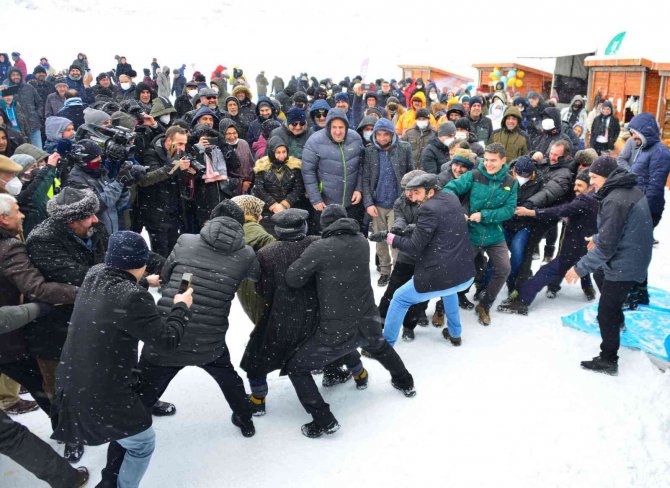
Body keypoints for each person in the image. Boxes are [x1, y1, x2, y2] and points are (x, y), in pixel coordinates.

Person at [52, 231, 193, 488]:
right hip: (101, 393)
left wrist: (141, 283)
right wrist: (182, 306)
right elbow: (167, 340)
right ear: (141, 264)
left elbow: (113, 292)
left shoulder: (95, 273)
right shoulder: (133, 298)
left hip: (73, 381)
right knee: (142, 443)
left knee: (126, 436)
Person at [285, 205, 416, 438]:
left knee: (298, 367)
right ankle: (405, 382)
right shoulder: (361, 241)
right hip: (367, 317)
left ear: (325, 225)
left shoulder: (320, 248)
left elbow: (293, 278)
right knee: (380, 347)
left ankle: (323, 419)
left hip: (336, 327)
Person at [137, 200, 257, 438]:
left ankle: (135, 420)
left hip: (168, 332)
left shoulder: (186, 241)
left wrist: (190, 275)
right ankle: (245, 418)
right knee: (228, 378)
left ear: (211, 218)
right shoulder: (246, 254)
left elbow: (166, 274)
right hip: (209, 339)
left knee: (146, 383)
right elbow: (255, 277)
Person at [564, 157, 653, 375]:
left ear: (607, 176)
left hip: (627, 262)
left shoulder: (616, 199)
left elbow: (606, 248)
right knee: (600, 275)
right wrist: (598, 235)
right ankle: (618, 320)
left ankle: (608, 359)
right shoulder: (626, 190)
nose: (591, 182)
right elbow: (619, 228)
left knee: (605, 312)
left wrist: (578, 268)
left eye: (594, 177)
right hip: (635, 254)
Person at [0, 191, 77, 418]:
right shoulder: (8, 248)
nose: (22, 216)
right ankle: (65, 430)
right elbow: (37, 288)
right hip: (8, 338)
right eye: (17, 211)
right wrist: (81, 291)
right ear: (3, 218)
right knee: (41, 386)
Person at [240, 208, 320, 415]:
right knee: (330, 346)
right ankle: (357, 374)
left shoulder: (266, 254)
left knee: (256, 358)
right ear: (303, 226)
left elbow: (263, 290)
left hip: (281, 315)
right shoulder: (317, 244)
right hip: (317, 310)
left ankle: (258, 399)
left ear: (277, 230)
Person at [381, 173, 475, 345]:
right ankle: (455, 334)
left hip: (441, 274)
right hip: (463, 272)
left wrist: (390, 238)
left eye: (417, 192)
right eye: (410, 192)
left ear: (430, 192)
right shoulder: (450, 197)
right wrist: (411, 228)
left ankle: (386, 345)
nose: (413, 197)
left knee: (399, 298)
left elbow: (415, 247)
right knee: (449, 291)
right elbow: (441, 225)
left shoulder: (427, 208)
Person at [500, 170, 597, 314]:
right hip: (584, 247)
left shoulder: (584, 201)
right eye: (575, 184)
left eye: (580, 186)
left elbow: (560, 210)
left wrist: (532, 212)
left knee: (547, 271)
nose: (575, 188)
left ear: (590, 187)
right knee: (583, 266)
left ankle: (522, 301)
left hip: (575, 248)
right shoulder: (596, 199)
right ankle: (589, 289)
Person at [444, 143, 517, 326]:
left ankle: (485, 304)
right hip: (471, 233)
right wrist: (457, 210)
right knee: (457, 269)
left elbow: (509, 210)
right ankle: (442, 306)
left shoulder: (510, 183)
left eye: (493, 161)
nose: (489, 164)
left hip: (495, 234)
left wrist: (484, 215)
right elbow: (449, 189)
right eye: (486, 160)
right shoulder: (474, 175)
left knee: (504, 268)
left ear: (503, 160)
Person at [624, 112, 670, 307]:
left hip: (647, 209)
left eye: (635, 133)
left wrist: (644, 212)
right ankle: (640, 291)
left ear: (645, 131)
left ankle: (635, 293)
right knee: (637, 250)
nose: (633, 138)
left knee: (635, 251)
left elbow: (654, 186)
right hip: (638, 206)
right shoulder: (644, 148)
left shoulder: (660, 151)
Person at [363, 118, 414, 286]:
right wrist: (368, 203)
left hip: (397, 203)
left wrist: (408, 199)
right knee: (380, 241)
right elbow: (366, 179)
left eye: (386, 134)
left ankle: (398, 272)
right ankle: (385, 270)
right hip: (377, 203)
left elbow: (410, 174)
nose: (383, 138)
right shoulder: (370, 151)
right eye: (379, 134)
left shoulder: (404, 148)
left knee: (396, 240)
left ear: (392, 135)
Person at [301, 108, 365, 228]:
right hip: (326, 203)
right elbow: (308, 172)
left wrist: (358, 188)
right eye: (334, 127)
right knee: (328, 239)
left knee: (349, 237)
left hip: (350, 202)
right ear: (328, 127)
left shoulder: (355, 138)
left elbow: (361, 166)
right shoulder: (314, 141)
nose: (337, 131)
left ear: (346, 127)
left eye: (341, 127)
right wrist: (315, 199)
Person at [252, 136, 306, 235]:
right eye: (278, 152)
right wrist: (273, 205)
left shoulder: (294, 167)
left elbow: (298, 188)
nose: (282, 155)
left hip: (290, 209)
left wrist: (285, 203)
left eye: (284, 152)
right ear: (272, 152)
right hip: (268, 212)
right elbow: (258, 189)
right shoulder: (262, 168)